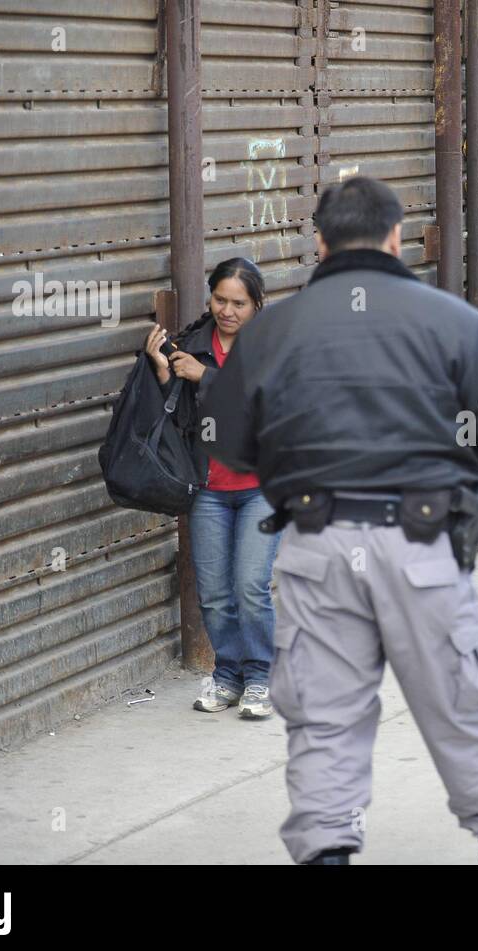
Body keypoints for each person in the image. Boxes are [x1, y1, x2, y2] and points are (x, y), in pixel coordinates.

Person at [201, 176, 478, 866]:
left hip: (315, 546)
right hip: (422, 546)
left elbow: (226, 441)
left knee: (325, 718)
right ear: (394, 237)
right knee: (460, 701)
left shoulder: (272, 329)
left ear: (322, 243)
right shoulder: (449, 318)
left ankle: (327, 855)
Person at [145, 258, 279, 719]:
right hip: (208, 489)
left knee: (250, 585)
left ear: (257, 306)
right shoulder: (194, 345)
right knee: (215, 592)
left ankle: (260, 677)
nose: (227, 311)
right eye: (220, 300)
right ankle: (227, 676)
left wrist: (208, 379)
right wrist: (166, 377)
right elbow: (180, 424)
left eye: (238, 303)